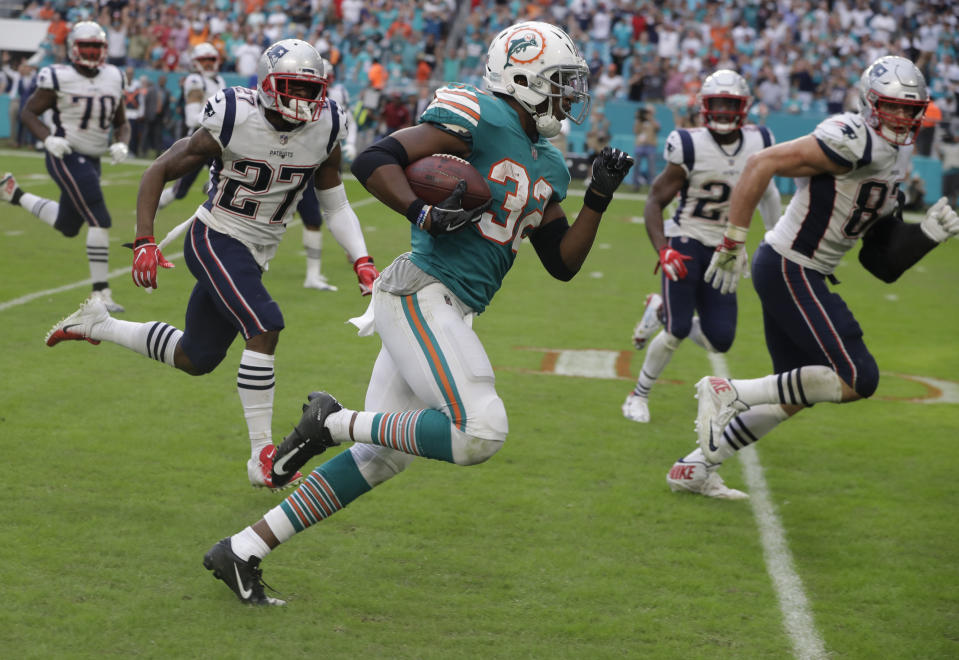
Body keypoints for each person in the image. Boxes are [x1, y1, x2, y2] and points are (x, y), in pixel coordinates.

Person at [201, 21, 633, 605]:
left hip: (452, 306)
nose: (568, 98)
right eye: (560, 84)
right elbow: (377, 158)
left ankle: (242, 550)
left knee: (382, 458)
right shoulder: (475, 112)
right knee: (481, 431)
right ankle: (329, 422)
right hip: (421, 292)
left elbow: (561, 261)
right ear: (524, 76)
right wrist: (421, 213)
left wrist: (599, 200)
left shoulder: (550, 163)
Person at [42, 39, 379, 491]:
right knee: (265, 326)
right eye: (292, 87)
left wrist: (362, 260)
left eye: (310, 89)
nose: (302, 100)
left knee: (195, 357)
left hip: (257, 251)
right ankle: (263, 456)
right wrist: (144, 240)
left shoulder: (328, 125)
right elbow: (156, 171)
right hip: (215, 234)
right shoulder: (234, 115)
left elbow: (335, 205)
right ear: (267, 85)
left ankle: (97, 324)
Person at [680, 56, 959, 499]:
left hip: (798, 270)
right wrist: (732, 242)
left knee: (793, 394)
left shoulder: (892, 159)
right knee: (858, 378)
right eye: (893, 106)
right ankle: (725, 391)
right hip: (792, 266)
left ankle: (696, 467)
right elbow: (760, 164)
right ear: (871, 104)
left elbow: (880, 264)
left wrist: (926, 236)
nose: (903, 117)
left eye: (910, 109)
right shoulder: (852, 139)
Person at [624, 70, 780, 434]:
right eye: (718, 104)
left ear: (744, 108)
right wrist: (663, 250)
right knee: (679, 329)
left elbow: (769, 193)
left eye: (731, 104)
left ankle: (658, 311)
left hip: (727, 248)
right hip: (687, 240)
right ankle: (638, 394)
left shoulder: (761, 141)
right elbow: (655, 200)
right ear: (705, 107)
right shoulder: (688, 144)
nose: (724, 111)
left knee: (720, 340)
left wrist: (774, 239)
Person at [0, 21, 130, 312]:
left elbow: (122, 122)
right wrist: (48, 139)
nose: (92, 52)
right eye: (87, 47)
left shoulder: (114, 76)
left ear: (105, 49)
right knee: (99, 217)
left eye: (97, 47)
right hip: (65, 153)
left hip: (92, 158)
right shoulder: (57, 76)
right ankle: (101, 293)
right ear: (74, 48)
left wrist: (121, 142)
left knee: (69, 226)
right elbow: (28, 112)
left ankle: (14, 194)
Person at [299, 58, 360, 293]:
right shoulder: (301, 94)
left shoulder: (338, 94)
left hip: (322, 160)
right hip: (298, 160)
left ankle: (316, 273)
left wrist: (351, 144)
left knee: (326, 210)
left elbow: (350, 121)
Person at [157, 43, 226, 209]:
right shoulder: (195, 80)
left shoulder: (219, 80)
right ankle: (153, 205)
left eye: (211, 59)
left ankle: (214, 182)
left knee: (227, 180)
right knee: (179, 191)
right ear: (195, 62)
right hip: (199, 140)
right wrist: (219, 118)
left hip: (217, 140)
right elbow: (192, 119)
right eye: (204, 60)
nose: (208, 63)